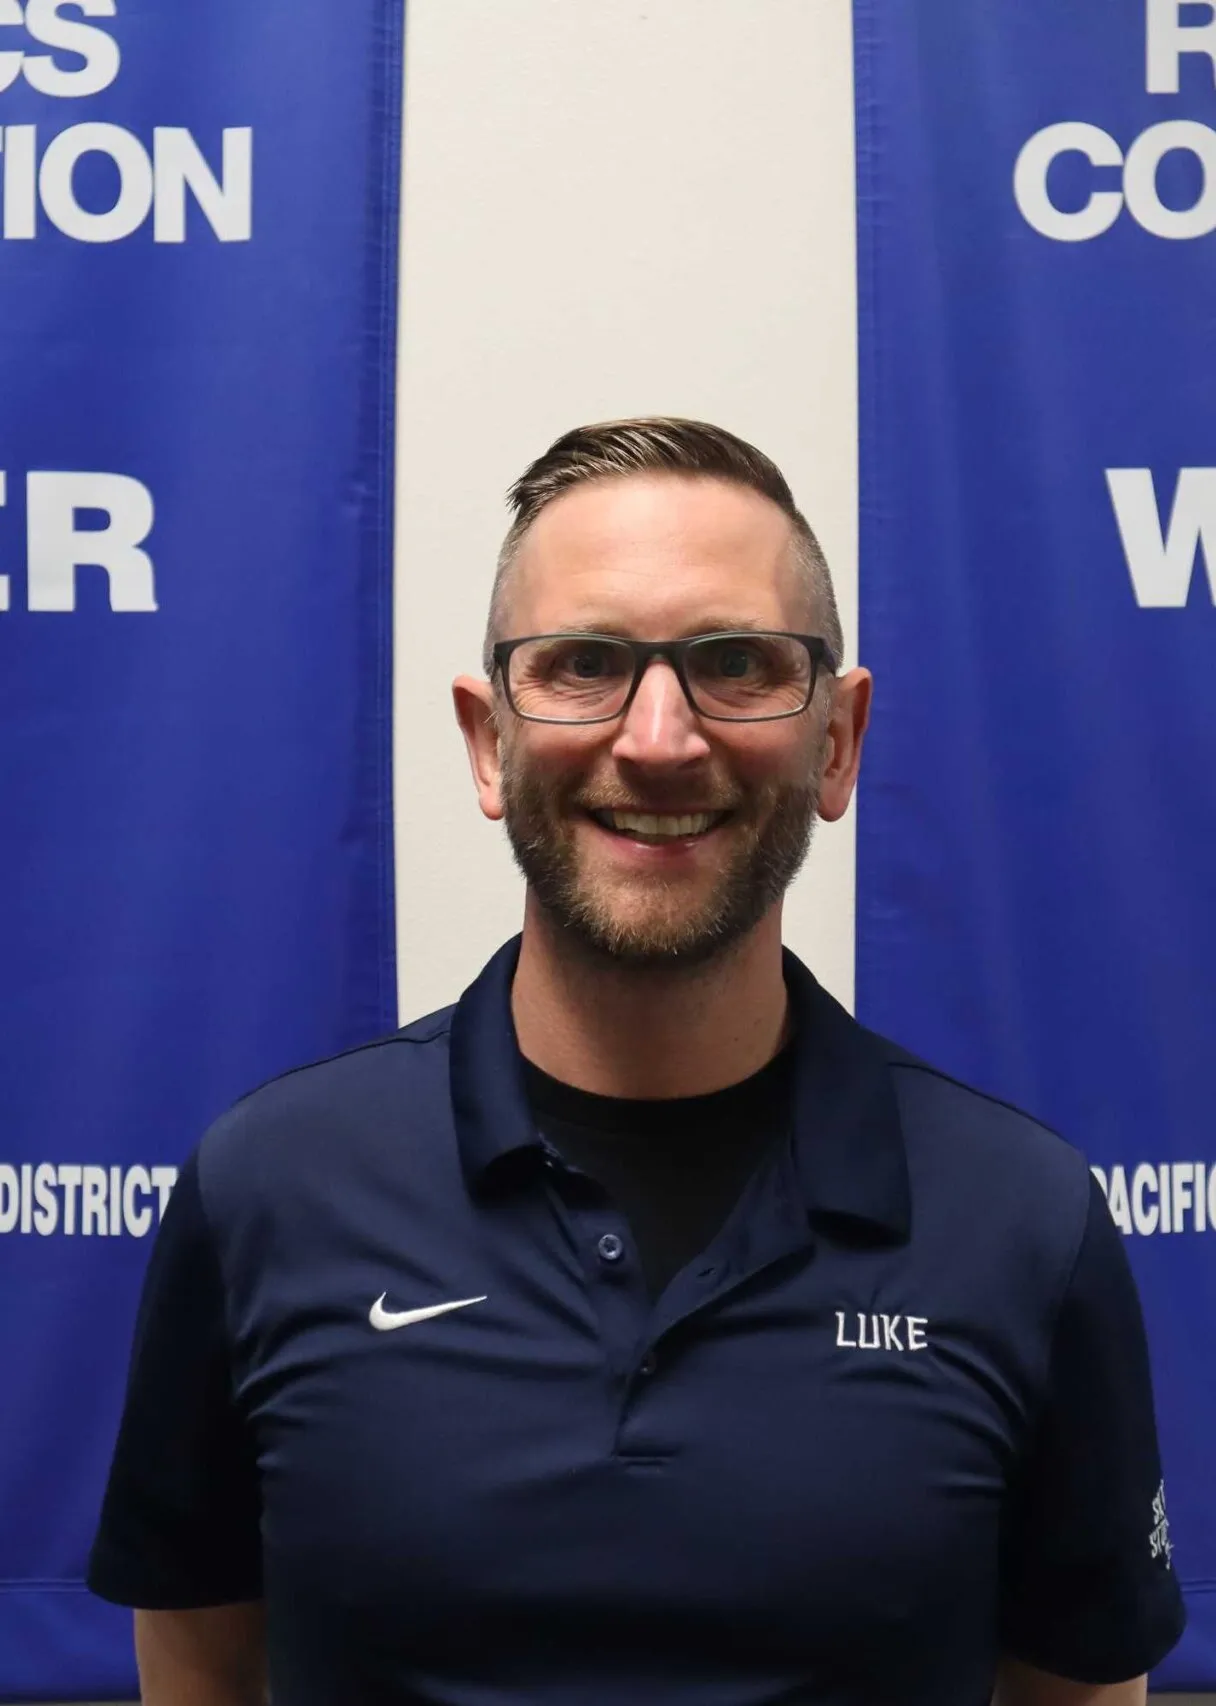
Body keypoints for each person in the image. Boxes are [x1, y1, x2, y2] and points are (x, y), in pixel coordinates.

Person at [88, 418, 1185, 1705]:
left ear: (836, 739)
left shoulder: (1023, 1220)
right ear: (488, 739)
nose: (659, 738)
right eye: (582, 664)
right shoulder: (268, 1188)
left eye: (736, 663)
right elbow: (200, 1661)